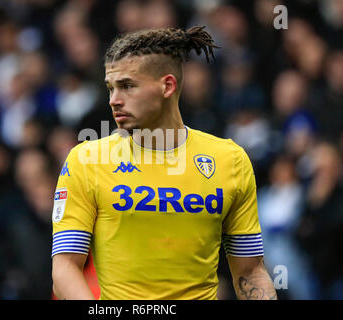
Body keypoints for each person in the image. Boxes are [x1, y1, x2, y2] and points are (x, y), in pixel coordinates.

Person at [51, 26, 277, 300]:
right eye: (110, 88)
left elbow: (250, 270)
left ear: (167, 86)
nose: (114, 100)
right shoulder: (86, 160)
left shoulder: (230, 160)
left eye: (127, 86)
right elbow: (64, 267)